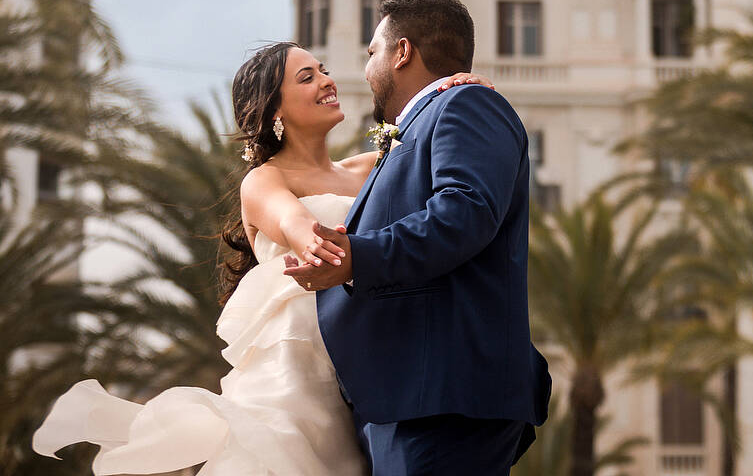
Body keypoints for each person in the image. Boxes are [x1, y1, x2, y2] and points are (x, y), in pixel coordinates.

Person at [32, 41, 487, 474]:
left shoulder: (373, 167)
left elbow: (439, 159)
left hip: (376, 362)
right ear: (275, 113)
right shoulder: (263, 181)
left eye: (324, 71)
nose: (326, 81)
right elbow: (294, 223)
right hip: (296, 374)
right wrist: (316, 245)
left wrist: (451, 90)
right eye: (307, 77)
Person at [283, 0, 552, 475]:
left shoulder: (466, 105)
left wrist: (356, 257)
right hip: (408, 398)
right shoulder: (428, 121)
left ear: (402, 52)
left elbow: (464, 212)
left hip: (443, 398)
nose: (365, 72)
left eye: (371, 54)